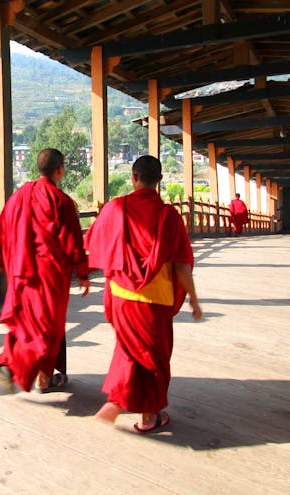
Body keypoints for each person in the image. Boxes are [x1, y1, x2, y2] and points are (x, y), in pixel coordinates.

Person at [85, 155, 202, 434]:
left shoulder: (115, 208)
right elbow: (182, 265)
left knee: (128, 350)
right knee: (155, 358)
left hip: (122, 296)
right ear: (159, 181)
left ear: (133, 177)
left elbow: (93, 243)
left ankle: (118, 397)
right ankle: (148, 417)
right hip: (155, 299)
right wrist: (194, 300)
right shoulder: (169, 216)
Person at [0, 148, 91, 394]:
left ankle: (16, 364)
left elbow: (1, 231)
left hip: (21, 272)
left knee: (25, 322)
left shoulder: (17, 197)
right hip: (50, 275)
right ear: (60, 170)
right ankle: (31, 374)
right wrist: (83, 272)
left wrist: (0, 261)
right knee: (50, 328)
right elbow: (72, 241)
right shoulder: (61, 201)